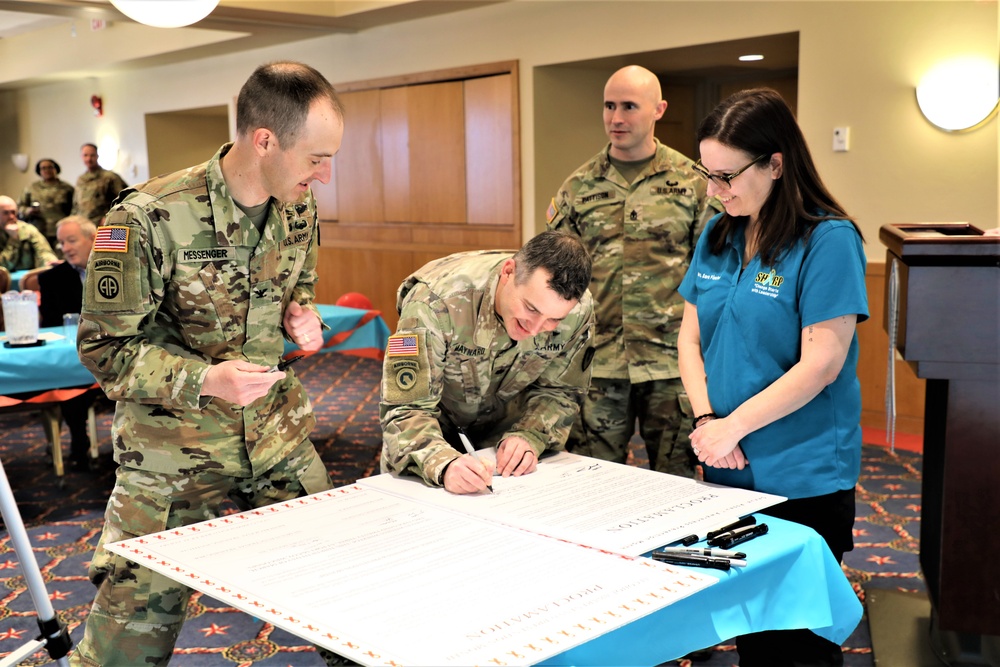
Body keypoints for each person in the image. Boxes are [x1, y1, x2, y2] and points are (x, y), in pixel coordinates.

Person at [71, 60, 345, 666]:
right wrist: (206, 379)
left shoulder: (297, 206)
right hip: (172, 456)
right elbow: (104, 349)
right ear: (264, 140)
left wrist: (306, 316)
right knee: (124, 646)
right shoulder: (145, 218)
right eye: (317, 158)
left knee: (353, 600)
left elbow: (299, 287)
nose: (325, 176)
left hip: (276, 439)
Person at [677, 87, 868, 667]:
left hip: (801, 473)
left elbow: (821, 364)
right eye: (707, 176)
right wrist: (709, 422)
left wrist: (731, 427)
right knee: (747, 626)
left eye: (727, 176)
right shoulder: (719, 234)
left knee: (793, 642)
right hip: (727, 463)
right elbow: (690, 338)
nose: (716, 191)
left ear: (776, 164)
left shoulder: (829, 240)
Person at [546, 65, 720, 477]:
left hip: (673, 363)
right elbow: (555, 278)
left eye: (629, 106)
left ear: (659, 109)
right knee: (592, 477)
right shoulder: (579, 187)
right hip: (599, 362)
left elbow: (713, 273)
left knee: (677, 478)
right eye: (609, 106)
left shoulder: (692, 183)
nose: (616, 118)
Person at [380, 230, 595, 495]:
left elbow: (561, 391)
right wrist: (442, 462)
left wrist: (531, 434)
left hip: (503, 449)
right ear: (508, 273)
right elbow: (404, 408)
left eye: (553, 320)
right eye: (531, 308)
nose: (537, 328)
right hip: (426, 442)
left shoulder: (578, 310)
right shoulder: (433, 303)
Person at [37, 215, 100, 471]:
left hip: (120, 349)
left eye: (71, 240)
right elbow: (51, 323)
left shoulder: (120, 268)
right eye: (62, 242)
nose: (66, 248)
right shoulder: (52, 279)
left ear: (93, 238)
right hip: (77, 354)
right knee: (72, 384)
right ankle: (79, 442)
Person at [17, 158, 74, 249]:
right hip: (38, 230)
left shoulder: (66, 188)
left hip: (60, 231)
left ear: (56, 169)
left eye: (50, 167)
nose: (47, 170)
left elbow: (75, 209)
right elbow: (19, 207)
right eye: (43, 168)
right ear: (39, 171)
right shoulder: (32, 188)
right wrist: (28, 211)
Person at [71, 143, 128, 225]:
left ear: (97, 156)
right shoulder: (81, 179)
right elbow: (76, 205)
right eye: (85, 155)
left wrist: (110, 217)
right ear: (81, 157)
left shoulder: (110, 177)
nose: (89, 159)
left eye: (92, 155)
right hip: (83, 225)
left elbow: (123, 199)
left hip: (103, 224)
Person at [0, 194, 58, 271]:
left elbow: (43, 252)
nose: (11, 216)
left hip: (27, 278)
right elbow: (2, 267)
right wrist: (13, 240)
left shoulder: (28, 230)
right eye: (6, 213)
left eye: (13, 212)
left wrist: (50, 262)